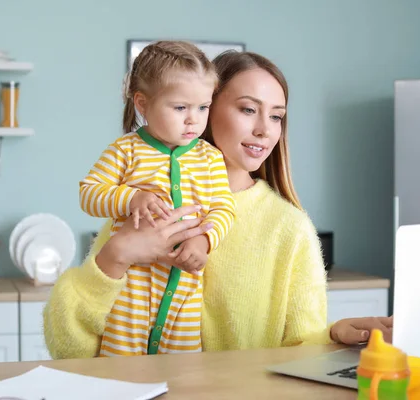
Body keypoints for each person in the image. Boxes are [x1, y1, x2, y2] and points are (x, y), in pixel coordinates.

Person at [43, 50, 393, 360]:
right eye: (247, 109)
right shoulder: (146, 203)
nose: (264, 130)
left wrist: (332, 335)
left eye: (276, 116)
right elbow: (69, 351)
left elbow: (300, 348)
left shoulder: (289, 228)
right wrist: (114, 256)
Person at [77, 41, 236, 357]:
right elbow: (89, 193)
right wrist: (131, 198)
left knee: (183, 376)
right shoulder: (126, 150)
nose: (193, 119)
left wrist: (204, 240)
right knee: (120, 373)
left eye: (203, 107)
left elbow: (223, 208)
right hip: (131, 288)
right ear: (142, 103)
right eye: (180, 108)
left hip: (184, 289)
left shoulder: (210, 158)